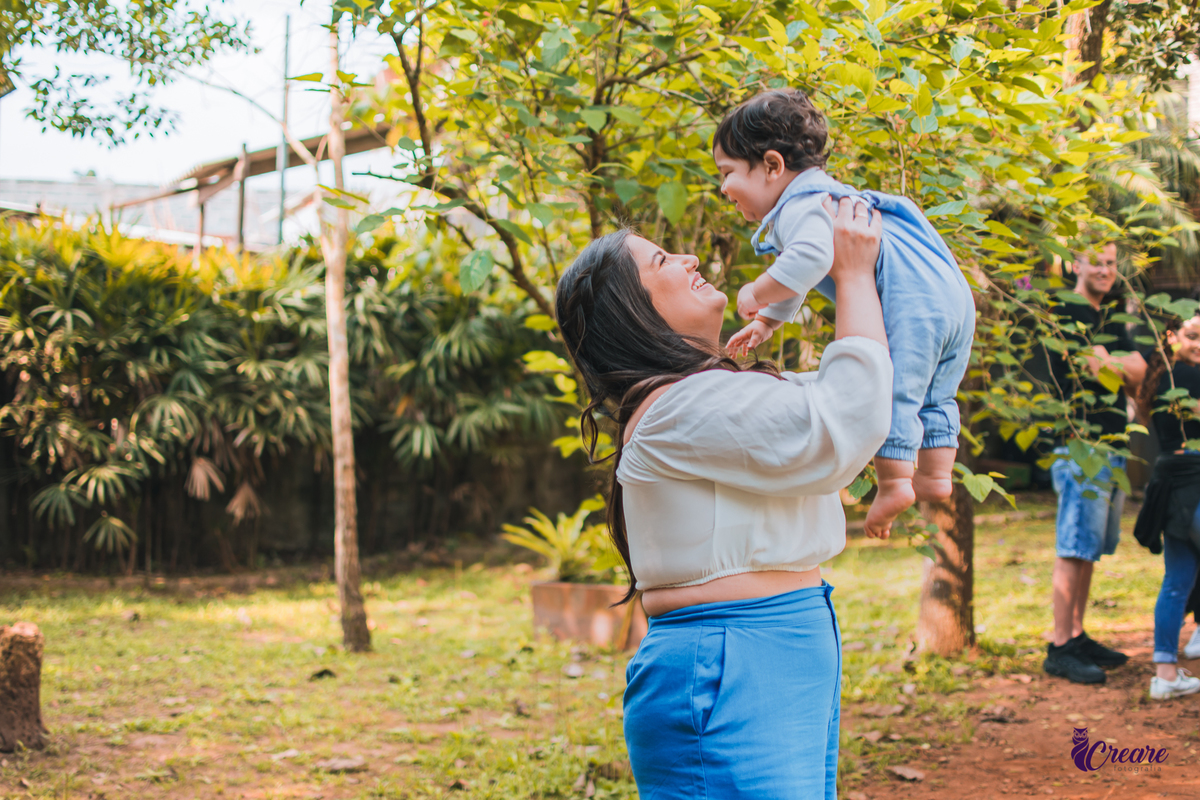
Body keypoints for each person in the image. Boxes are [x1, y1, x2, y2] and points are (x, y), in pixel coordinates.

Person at [554, 198, 891, 799]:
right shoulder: (679, 408)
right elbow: (843, 425)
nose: (687, 257)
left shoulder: (710, 395)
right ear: (634, 313)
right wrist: (853, 275)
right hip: (730, 656)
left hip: (780, 644)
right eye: (662, 260)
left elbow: (862, 394)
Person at [713, 88, 975, 539]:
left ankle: (895, 483)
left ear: (773, 166)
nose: (723, 187)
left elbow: (809, 260)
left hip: (909, 303)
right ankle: (934, 475)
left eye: (728, 172)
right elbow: (804, 270)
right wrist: (769, 321)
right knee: (937, 393)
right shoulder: (827, 199)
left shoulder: (798, 205)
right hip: (951, 298)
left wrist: (756, 293)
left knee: (897, 388)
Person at [1042, 243, 1146, 685]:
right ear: (1076, 265)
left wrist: (1112, 363)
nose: (1104, 270)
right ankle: (1059, 645)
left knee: (1092, 546)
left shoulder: (1113, 314)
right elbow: (1091, 367)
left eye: (1110, 263)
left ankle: (1078, 634)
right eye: (1096, 263)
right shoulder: (1068, 309)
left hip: (1112, 443)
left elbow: (1140, 369)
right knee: (1074, 544)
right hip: (1080, 443)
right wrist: (1113, 366)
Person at [1133, 312, 1200, 699]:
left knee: (1176, 582)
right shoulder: (1188, 377)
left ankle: (1166, 676)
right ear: (1171, 336)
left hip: (1171, 488)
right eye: (1192, 336)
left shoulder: (1160, 378)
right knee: (1177, 582)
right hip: (1193, 482)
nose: (1198, 345)